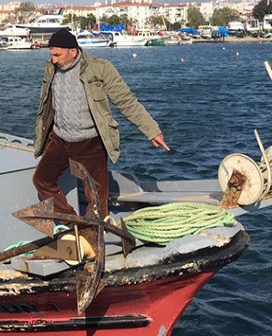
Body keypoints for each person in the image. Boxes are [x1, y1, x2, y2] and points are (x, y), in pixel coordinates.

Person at [33, 28, 170, 217]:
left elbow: (126, 101)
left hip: (91, 143)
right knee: (41, 180)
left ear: (73, 51)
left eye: (57, 55)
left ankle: (95, 236)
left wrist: (151, 130)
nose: (54, 59)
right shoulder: (52, 69)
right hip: (60, 140)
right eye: (52, 55)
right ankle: (72, 222)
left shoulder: (101, 68)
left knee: (97, 200)